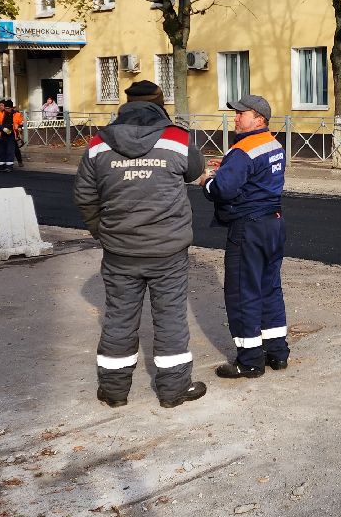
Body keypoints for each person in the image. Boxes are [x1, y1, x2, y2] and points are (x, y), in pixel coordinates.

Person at [73, 80, 206, 409]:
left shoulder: (98, 144)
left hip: (120, 250)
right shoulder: (176, 138)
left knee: (118, 317)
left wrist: (100, 232)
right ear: (159, 104)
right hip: (168, 251)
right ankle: (173, 390)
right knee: (171, 317)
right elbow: (196, 171)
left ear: (125, 104)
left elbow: (84, 196)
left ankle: (115, 391)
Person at [198, 94, 289, 379]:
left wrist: (208, 180)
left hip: (248, 227)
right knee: (269, 287)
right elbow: (253, 175)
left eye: (241, 113)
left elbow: (221, 190)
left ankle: (249, 360)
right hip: (273, 224)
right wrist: (227, 166)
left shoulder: (243, 150)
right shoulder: (274, 144)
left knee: (242, 292)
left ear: (258, 119)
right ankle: (277, 352)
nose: (235, 117)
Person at [0, 100, 20, 172]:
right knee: (0, 151)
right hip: (1, 134)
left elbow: (19, 123)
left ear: (12, 108)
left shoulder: (17, 114)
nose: (7, 109)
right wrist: (3, 129)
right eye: (5, 108)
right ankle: (0, 166)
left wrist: (18, 130)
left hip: (11, 135)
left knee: (10, 151)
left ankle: (9, 167)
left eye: (8, 108)